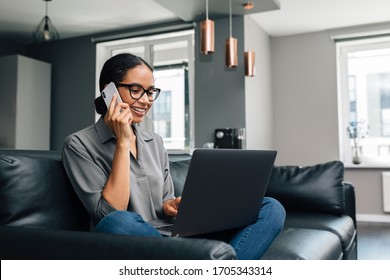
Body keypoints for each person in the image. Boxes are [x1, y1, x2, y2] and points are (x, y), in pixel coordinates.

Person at [62, 53, 286, 260]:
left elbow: (164, 202)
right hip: (129, 241)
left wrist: (171, 206)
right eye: (136, 90)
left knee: (271, 207)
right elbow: (111, 214)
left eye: (150, 92)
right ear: (108, 90)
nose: (146, 100)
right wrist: (122, 140)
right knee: (118, 222)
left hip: (172, 237)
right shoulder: (79, 144)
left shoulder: (155, 142)